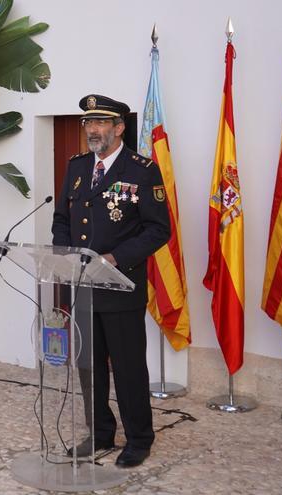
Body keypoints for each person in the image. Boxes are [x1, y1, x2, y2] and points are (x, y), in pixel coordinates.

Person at [51, 94, 171, 468]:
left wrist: (116, 258)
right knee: (89, 367)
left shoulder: (142, 170)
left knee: (128, 366)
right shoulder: (77, 166)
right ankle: (100, 432)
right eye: (88, 123)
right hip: (83, 286)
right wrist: (63, 254)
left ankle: (139, 438)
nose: (93, 129)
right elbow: (62, 219)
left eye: (101, 123)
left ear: (119, 128)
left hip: (120, 286)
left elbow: (158, 229)